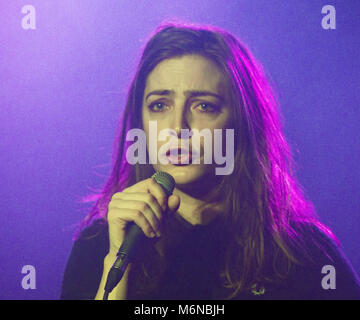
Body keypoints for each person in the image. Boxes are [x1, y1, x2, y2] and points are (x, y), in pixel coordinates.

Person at [60, 21, 360, 300]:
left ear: (243, 121)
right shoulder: (100, 244)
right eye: (159, 105)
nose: (177, 128)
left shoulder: (304, 253)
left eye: (204, 106)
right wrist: (118, 259)